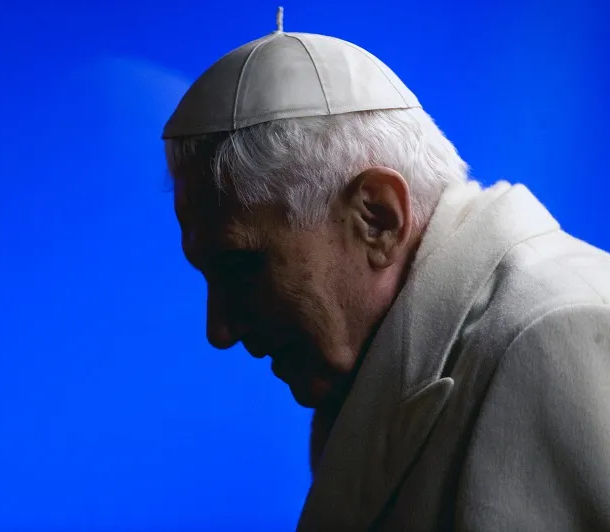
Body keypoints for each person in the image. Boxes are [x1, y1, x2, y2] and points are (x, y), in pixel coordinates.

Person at [160, 9, 610, 532]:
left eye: (240, 266)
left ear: (377, 218)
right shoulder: (368, 374)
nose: (219, 331)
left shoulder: (558, 332)